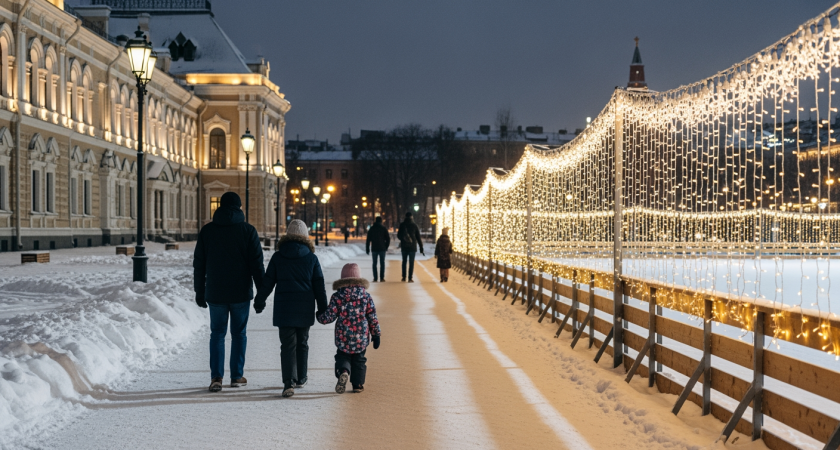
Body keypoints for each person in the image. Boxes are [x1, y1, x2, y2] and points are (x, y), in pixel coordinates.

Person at [193, 192, 265, 393]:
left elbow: (199, 265)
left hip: (215, 291)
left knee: (217, 333)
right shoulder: (248, 231)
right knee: (239, 333)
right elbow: (257, 266)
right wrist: (261, 294)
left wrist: (200, 291)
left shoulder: (207, 231)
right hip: (241, 292)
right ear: (239, 208)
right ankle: (236, 376)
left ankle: (216, 377)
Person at [254, 219, 327, 398]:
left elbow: (268, 282)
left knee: (287, 345)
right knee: (302, 343)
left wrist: (260, 300)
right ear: (305, 236)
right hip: (304, 308)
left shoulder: (278, 257)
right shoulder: (311, 258)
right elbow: (319, 285)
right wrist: (323, 308)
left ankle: (288, 382)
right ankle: (301, 377)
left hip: (284, 309)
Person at [317, 263, 381, 394]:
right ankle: (357, 384)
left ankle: (344, 371)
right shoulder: (366, 296)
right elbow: (372, 316)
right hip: (361, 336)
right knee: (359, 359)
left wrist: (319, 316)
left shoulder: (338, 296)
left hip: (343, 335)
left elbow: (329, 316)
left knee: (343, 356)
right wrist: (376, 334)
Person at [397, 212, 424, 282]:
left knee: (404, 262)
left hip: (404, 246)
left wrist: (403, 239)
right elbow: (418, 237)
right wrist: (421, 247)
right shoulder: (414, 225)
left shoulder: (402, 225)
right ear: (412, 217)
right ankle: (410, 278)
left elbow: (398, 235)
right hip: (412, 247)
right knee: (411, 262)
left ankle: (403, 277)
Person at [365, 216, 391, 282]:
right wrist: (386, 247)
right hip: (382, 248)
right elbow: (388, 239)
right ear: (381, 221)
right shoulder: (383, 228)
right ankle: (382, 277)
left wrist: (367, 248)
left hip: (374, 248)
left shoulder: (372, 229)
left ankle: (375, 278)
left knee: (374, 263)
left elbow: (368, 240)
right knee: (382, 263)